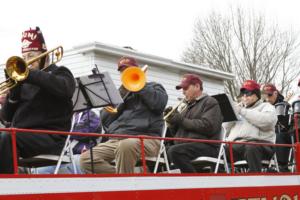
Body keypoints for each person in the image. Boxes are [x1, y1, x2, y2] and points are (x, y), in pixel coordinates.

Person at [0, 27, 75, 174]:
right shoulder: (24, 82)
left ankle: (7, 187)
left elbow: (65, 89)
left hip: (50, 138)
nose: (27, 61)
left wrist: (30, 74)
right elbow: (6, 117)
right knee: (6, 135)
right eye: (24, 57)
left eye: (31, 56)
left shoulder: (60, 72)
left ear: (43, 55)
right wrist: (14, 92)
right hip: (21, 136)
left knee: (7, 137)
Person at [80, 56, 168, 174]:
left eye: (128, 71)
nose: (124, 74)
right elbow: (105, 120)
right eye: (122, 72)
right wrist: (120, 95)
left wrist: (139, 86)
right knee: (86, 159)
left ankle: (124, 184)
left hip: (147, 139)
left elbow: (159, 105)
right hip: (118, 139)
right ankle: (129, 176)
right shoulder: (121, 92)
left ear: (136, 70)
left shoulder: (154, 87)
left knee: (125, 146)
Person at [166, 74, 223, 173]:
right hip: (187, 145)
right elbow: (176, 134)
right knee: (162, 152)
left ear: (197, 86)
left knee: (174, 151)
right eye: (182, 89)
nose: (183, 92)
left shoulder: (210, 102)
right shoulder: (185, 107)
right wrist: (172, 122)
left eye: (186, 88)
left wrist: (181, 120)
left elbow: (208, 126)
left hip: (207, 145)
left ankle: (194, 182)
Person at [226, 80, 277, 172]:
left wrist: (242, 111)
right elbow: (226, 128)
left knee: (251, 147)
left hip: (261, 144)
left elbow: (268, 122)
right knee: (219, 149)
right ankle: (223, 181)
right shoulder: (239, 108)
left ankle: (255, 180)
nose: (245, 96)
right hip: (237, 145)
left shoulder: (266, 106)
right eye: (243, 93)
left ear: (256, 94)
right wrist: (230, 112)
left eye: (248, 93)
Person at [36, 109, 101, 174]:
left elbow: (82, 131)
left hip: (80, 154)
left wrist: (60, 132)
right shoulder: (69, 116)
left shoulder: (91, 115)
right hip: (64, 154)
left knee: (77, 162)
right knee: (41, 169)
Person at [262, 83, 291, 171]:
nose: (267, 98)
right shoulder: (262, 106)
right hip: (266, 133)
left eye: (269, 95)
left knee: (279, 136)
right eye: (265, 95)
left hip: (281, 132)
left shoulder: (284, 105)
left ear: (275, 93)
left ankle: (282, 167)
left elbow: (286, 126)